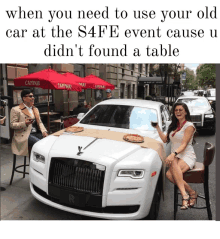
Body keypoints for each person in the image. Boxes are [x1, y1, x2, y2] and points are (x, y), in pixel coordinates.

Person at [152, 102, 197, 210]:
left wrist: (173, 154)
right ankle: (191, 192)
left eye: (180, 110)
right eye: (176, 110)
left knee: (170, 172)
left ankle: (185, 196)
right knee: (169, 174)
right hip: (175, 157)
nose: (178, 112)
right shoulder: (173, 126)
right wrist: (157, 127)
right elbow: (164, 139)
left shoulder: (189, 126)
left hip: (186, 155)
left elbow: (184, 144)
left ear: (185, 112)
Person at [10, 89, 48, 157]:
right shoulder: (15, 109)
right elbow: (12, 125)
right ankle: (35, 163)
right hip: (24, 135)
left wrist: (44, 131)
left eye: (33, 96)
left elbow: (40, 122)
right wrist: (24, 123)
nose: (33, 98)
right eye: (30, 96)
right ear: (24, 98)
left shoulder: (35, 109)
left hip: (36, 133)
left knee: (49, 141)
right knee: (39, 144)